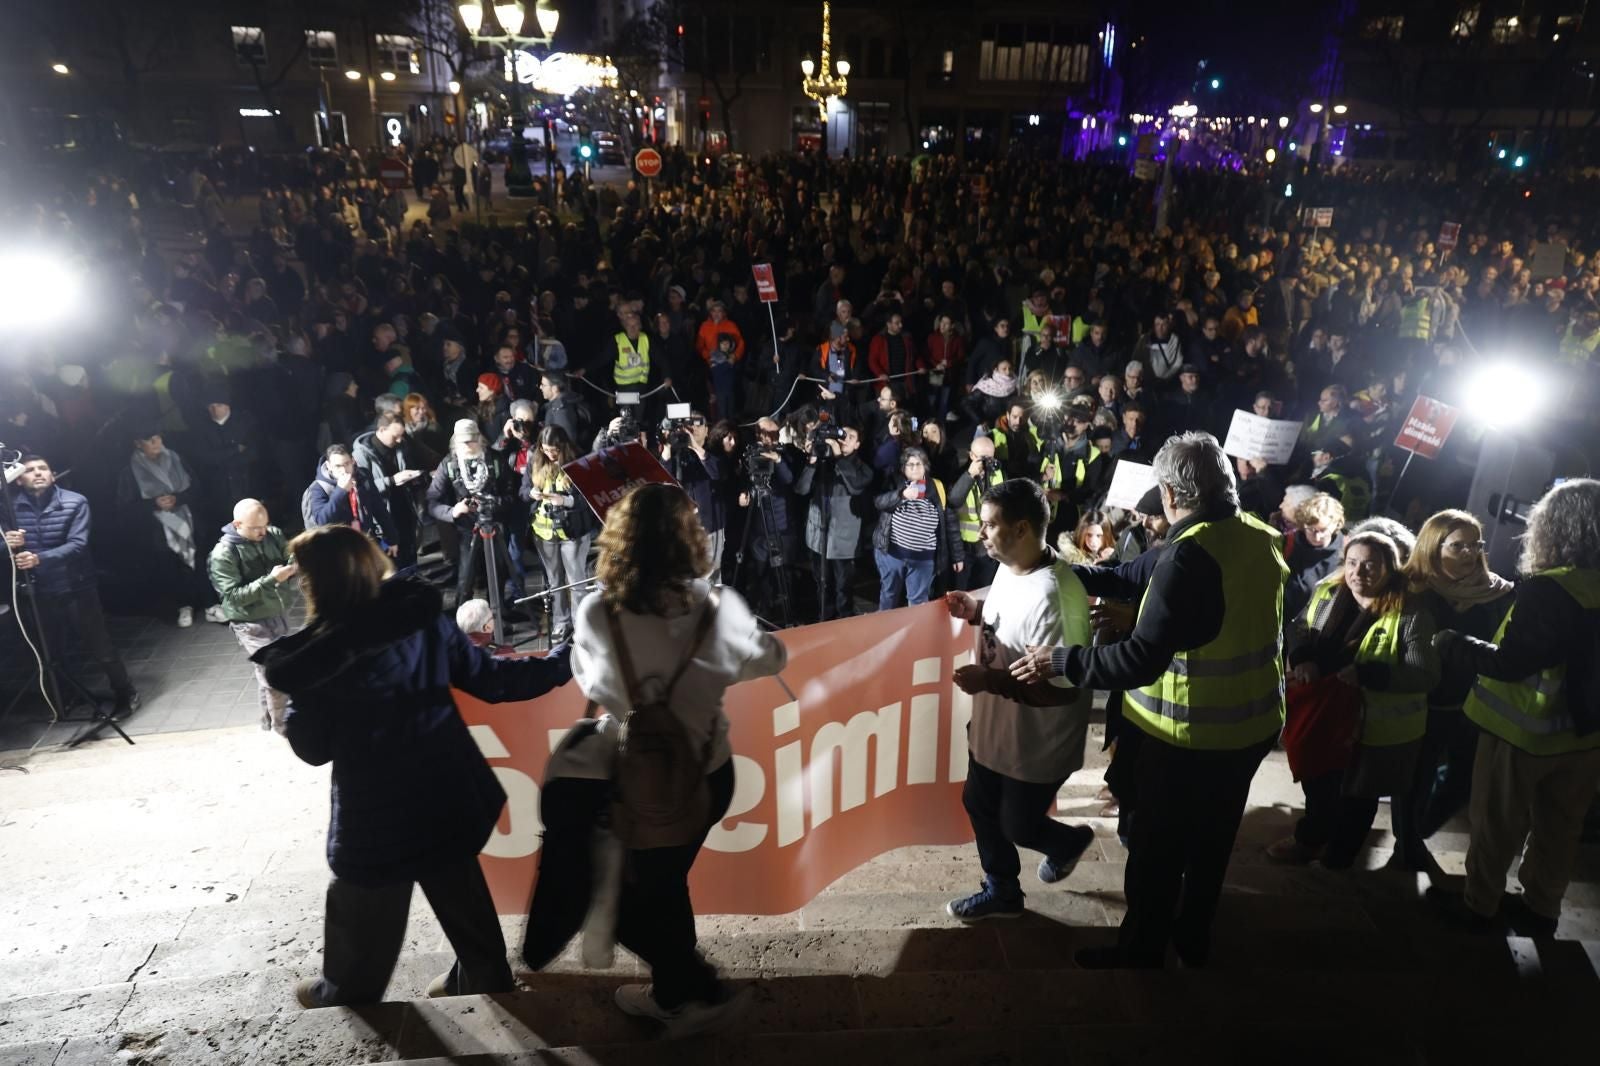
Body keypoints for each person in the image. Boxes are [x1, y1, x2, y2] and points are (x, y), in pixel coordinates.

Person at [257, 525, 572, 1009]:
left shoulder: (320, 658)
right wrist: (560, 660)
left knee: (362, 902)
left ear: (317, 584)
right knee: (458, 884)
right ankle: (485, 980)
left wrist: (292, 708)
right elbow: (492, 680)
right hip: (447, 789)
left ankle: (345, 993)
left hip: (376, 812)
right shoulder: (419, 619)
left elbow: (313, 748)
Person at [1011, 433, 1287, 970]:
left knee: (1156, 853)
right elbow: (1129, 574)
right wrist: (1050, 565)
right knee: (1212, 845)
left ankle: (1141, 949)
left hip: (1189, 738)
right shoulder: (1256, 535)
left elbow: (1137, 660)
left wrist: (1060, 660)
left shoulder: (1188, 556)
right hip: (1251, 728)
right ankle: (1193, 939)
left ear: (1168, 493)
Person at [570, 484, 786, 1036]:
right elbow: (773, 657)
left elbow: (594, 681)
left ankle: (686, 988)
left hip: (641, 779)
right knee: (664, 882)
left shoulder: (596, 611)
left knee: (630, 890)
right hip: (708, 775)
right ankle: (680, 988)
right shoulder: (711, 607)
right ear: (686, 540)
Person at [1431, 480, 1600, 938]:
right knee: (1560, 829)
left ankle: (1479, 906)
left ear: (1555, 527)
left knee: (1495, 826)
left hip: (1523, 734)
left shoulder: (1551, 588)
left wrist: (1455, 643)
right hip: (1586, 738)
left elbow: (1511, 663)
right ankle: (1541, 911)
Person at [942, 479, 1095, 920]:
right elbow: (1005, 616)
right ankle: (1002, 891)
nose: (981, 534)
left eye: (990, 525)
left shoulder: (1056, 595)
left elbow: (1056, 690)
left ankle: (1067, 842)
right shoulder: (1010, 565)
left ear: (1022, 528)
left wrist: (987, 681)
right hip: (994, 728)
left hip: (1036, 740)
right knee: (978, 802)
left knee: (1019, 823)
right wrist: (974, 609)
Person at [1268, 527, 1437, 869]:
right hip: (1326, 715)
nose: (1358, 573)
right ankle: (1310, 839)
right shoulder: (1329, 592)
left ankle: (1339, 860)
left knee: (1359, 797)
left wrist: (1369, 674)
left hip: (1373, 728)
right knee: (1318, 785)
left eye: (1370, 565)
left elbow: (1426, 674)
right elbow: (1299, 627)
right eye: (1352, 562)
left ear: (1390, 567)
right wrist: (1302, 658)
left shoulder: (1411, 613)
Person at [1399, 510, 1513, 868]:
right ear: (1434, 546)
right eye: (1458, 545)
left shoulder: (1497, 592)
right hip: (1421, 700)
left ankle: (1421, 826)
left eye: (1475, 545)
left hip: (1473, 702)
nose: (1469, 553)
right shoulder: (1413, 588)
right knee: (1416, 775)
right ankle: (1409, 842)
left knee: (1463, 777)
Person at [4, 455, 139, 718]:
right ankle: (68, 696)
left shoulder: (74, 502)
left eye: (43, 468)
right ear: (19, 479)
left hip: (76, 586)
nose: (38, 473)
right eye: (30, 470)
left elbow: (78, 545)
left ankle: (126, 693)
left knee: (100, 646)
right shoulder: (8, 507)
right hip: (38, 590)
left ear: (53, 474)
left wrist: (39, 558)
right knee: (52, 649)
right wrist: (7, 544)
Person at [115, 429, 224, 627]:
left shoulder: (175, 458)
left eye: (158, 438)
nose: (156, 443)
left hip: (188, 520)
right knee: (171, 566)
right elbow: (125, 506)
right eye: (150, 440)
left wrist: (178, 499)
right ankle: (184, 605)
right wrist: (154, 504)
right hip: (157, 527)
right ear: (138, 443)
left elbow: (197, 488)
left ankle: (211, 605)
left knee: (199, 561)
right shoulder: (130, 471)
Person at [208, 499, 297, 733]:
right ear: (237, 524)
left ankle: (268, 720)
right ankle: (283, 727)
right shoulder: (223, 553)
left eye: (265, 525)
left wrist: (293, 565)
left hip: (278, 613)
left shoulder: (273, 534)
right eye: (256, 528)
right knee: (274, 673)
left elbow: (291, 555)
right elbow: (233, 597)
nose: (263, 532)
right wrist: (272, 580)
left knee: (266, 671)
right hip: (249, 623)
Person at [521, 426, 595, 644]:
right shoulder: (535, 460)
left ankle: (581, 626)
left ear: (563, 446)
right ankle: (561, 623)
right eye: (545, 449)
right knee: (555, 583)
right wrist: (531, 493)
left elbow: (587, 497)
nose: (550, 454)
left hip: (572, 533)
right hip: (544, 533)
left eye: (554, 449)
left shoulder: (577, 461)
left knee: (576, 582)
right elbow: (523, 490)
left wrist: (565, 501)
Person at [794, 423, 873, 621]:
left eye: (851, 436)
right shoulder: (824, 463)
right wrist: (811, 462)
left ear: (858, 445)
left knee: (842, 588)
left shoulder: (864, 469)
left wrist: (839, 457)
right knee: (823, 585)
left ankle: (843, 622)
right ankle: (824, 621)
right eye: (843, 434)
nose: (845, 438)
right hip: (818, 537)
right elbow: (801, 490)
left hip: (843, 542)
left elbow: (855, 486)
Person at [872, 447, 963, 609]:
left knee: (918, 601)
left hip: (923, 560)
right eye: (910, 464)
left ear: (925, 467)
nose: (914, 468)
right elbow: (879, 502)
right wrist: (901, 495)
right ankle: (882, 630)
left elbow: (950, 522)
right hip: (893, 555)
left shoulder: (937, 487)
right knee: (889, 594)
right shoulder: (894, 482)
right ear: (903, 468)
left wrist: (957, 556)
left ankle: (915, 633)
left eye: (918, 464)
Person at [353, 412, 426, 569]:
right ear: (381, 430)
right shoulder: (361, 454)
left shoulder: (401, 445)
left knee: (410, 548)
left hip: (405, 506)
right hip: (384, 513)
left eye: (401, 436)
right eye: (395, 436)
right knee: (393, 558)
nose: (399, 440)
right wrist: (392, 481)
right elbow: (363, 488)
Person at [948, 435, 1006, 590]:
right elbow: (954, 500)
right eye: (982, 458)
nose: (987, 462)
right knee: (962, 590)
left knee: (984, 590)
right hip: (966, 546)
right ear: (971, 456)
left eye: (990, 457)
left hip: (990, 545)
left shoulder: (998, 474)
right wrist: (969, 476)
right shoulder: (960, 475)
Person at [1282, 492, 1346, 628]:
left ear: (1337, 524)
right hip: (1282, 620)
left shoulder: (1347, 552)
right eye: (1311, 529)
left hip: (1319, 627)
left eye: (1323, 530)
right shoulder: (1286, 544)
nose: (1318, 537)